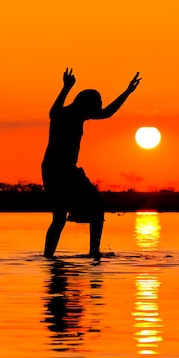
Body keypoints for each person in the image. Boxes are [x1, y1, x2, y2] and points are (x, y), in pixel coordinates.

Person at [42, 68, 141, 259]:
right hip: (55, 170)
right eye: (94, 107)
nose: (95, 113)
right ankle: (48, 257)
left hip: (70, 170)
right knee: (59, 217)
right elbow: (54, 111)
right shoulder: (61, 115)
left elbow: (107, 113)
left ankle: (93, 251)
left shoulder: (78, 115)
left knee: (96, 206)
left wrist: (127, 92)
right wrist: (66, 88)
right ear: (84, 105)